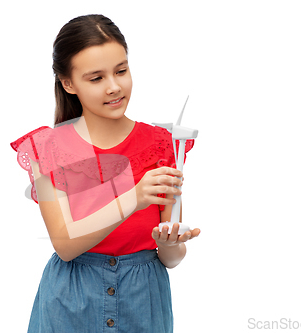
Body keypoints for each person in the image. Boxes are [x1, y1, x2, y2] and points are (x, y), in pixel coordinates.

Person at [10, 14, 200, 333]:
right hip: (70, 302)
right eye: (96, 78)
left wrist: (170, 242)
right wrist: (133, 197)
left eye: (121, 71)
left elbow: (171, 257)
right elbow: (65, 245)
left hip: (144, 301)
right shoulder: (48, 147)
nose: (114, 87)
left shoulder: (162, 145)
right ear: (68, 83)